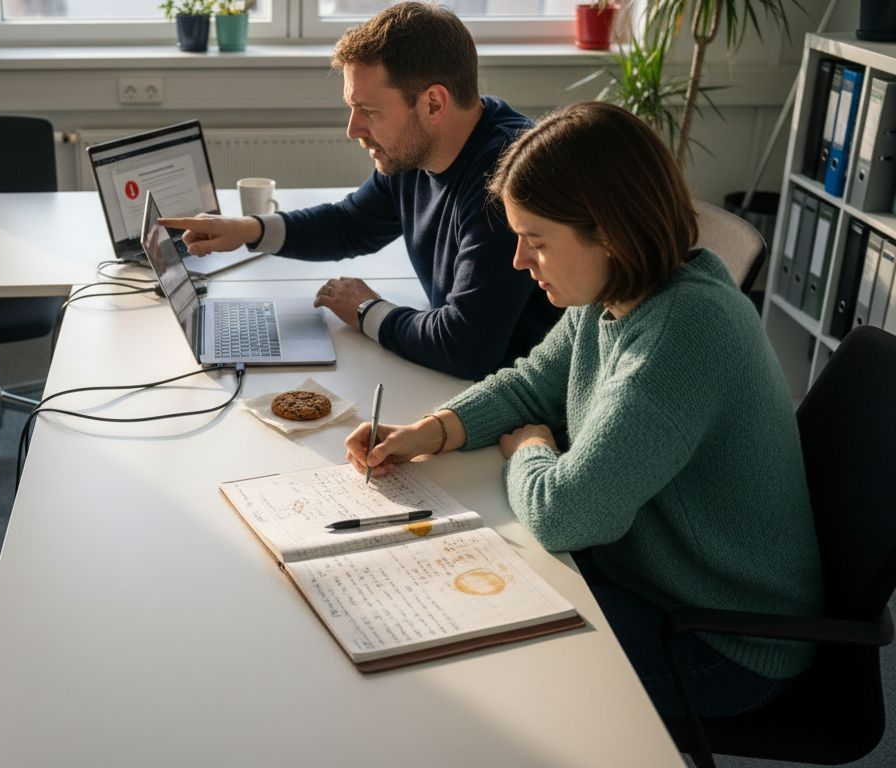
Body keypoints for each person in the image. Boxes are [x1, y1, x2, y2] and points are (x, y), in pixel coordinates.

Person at [344, 101, 823, 719]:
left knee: (471, 664)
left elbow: (564, 515)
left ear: (609, 233)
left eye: (536, 241)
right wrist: (428, 431)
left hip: (720, 639)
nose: (519, 260)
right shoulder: (617, 291)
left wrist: (530, 450)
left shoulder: (683, 332)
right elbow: (529, 386)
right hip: (643, 576)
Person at [159, 2, 559, 380]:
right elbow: (352, 223)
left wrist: (366, 310)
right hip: (455, 377)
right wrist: (248, 229)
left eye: (368, 111)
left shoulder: (505, 178)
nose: (353, 130)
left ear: (434, 104)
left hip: (516, 395)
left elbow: (465, 346)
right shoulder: (417, 148)